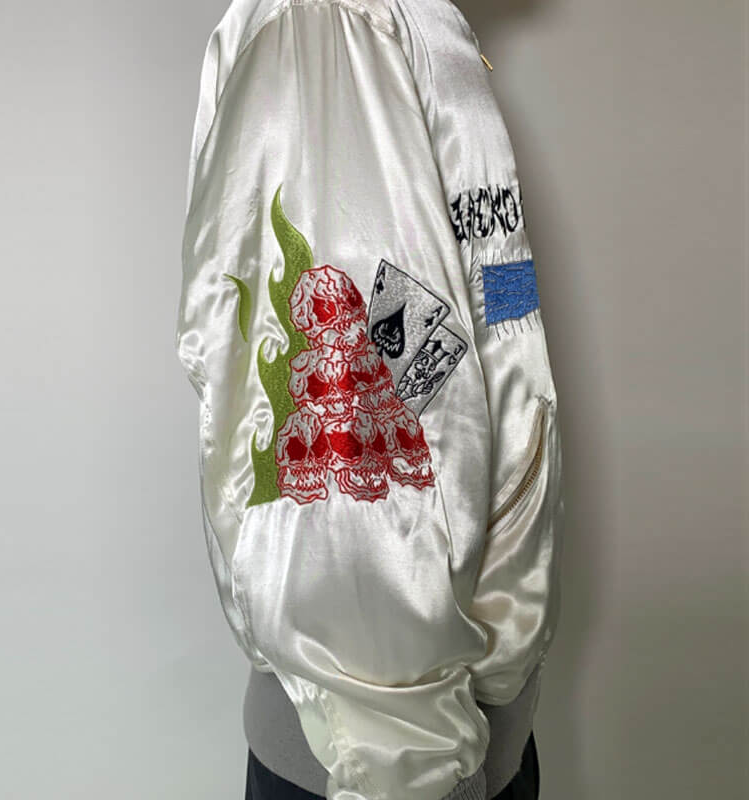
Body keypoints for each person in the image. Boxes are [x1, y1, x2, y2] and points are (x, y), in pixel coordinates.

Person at [175, 1, 566, 798]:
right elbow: (361, 538)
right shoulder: (339, 36)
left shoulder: (403, 27)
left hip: (452, 723)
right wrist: (411, 764)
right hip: (392, 755)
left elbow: (434, 342)